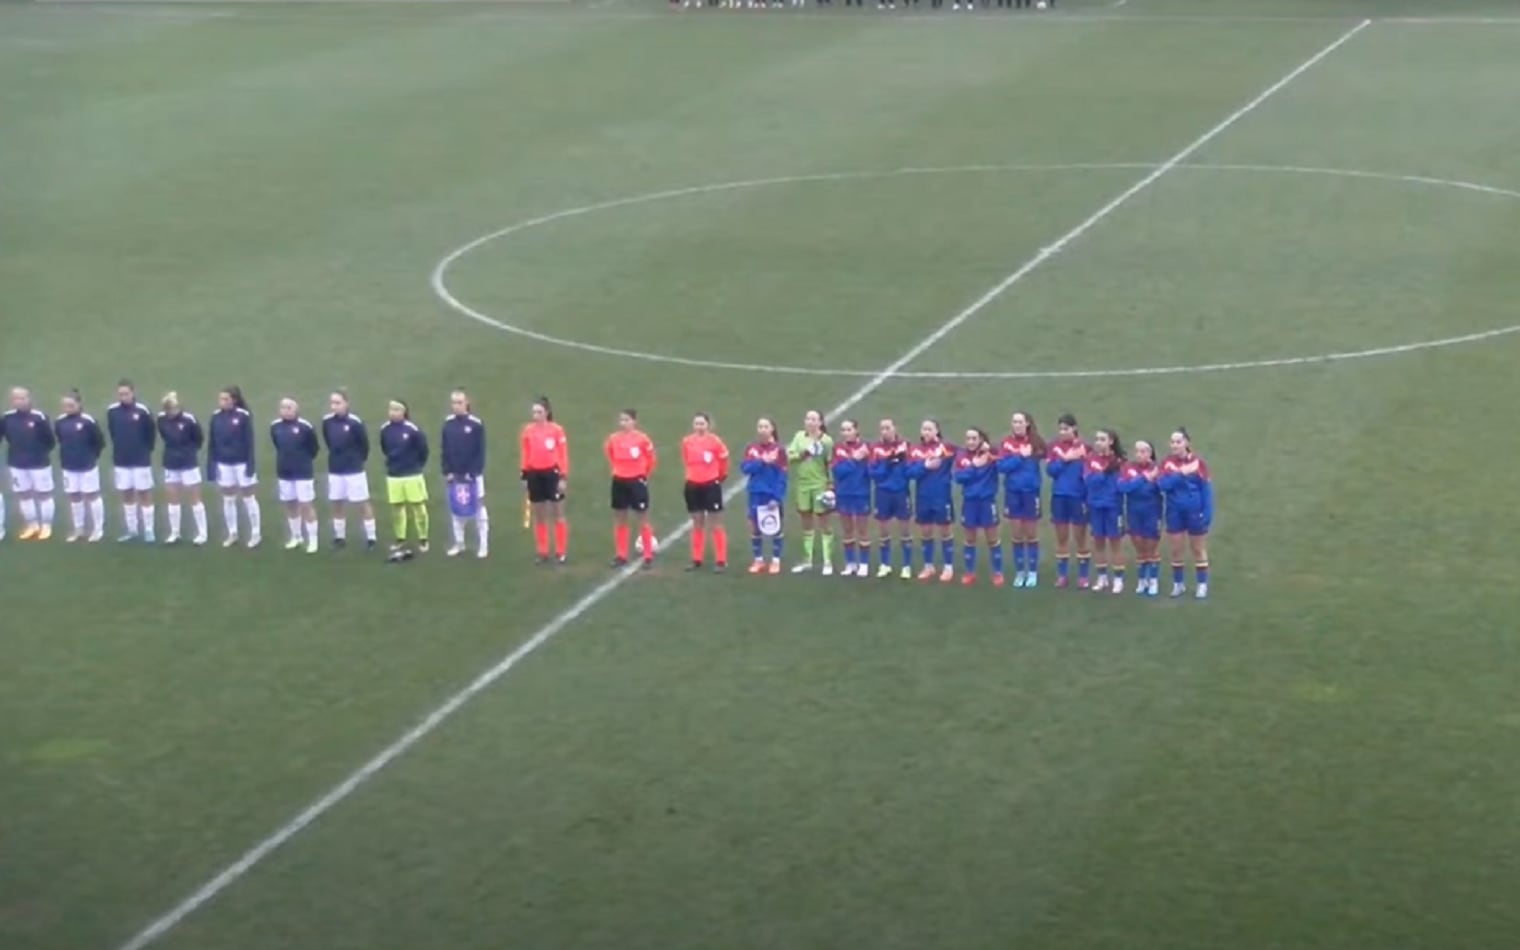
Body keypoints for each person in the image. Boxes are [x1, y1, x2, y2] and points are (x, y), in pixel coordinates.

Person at [1159, 428, 1214, 599]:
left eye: (1178, 441)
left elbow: (1206, 490)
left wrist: (1207, 513)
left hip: (1194, 512)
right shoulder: (1167, 463)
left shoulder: (1199, 463)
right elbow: (1162, 485)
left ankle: (1202, 585)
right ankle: (1178, 585)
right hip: (1174, 512)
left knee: (1198, 549)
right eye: (1172, 441)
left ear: (1186, 443)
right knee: (1176, 550)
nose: (1174, 445)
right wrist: (1181, 474)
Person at [996, 411, 1046, 588]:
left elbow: (1045, 454)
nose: (1016, 425)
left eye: (1020, 422)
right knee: (1016, 534)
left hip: (1031, 493)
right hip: (1013, 493)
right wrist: (1019, 457)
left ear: (1027, 424)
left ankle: (1032, 572)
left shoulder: (1036, 442)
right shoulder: (1006, 444)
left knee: (1031, 534)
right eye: (1014, 422)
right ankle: (1020, 572)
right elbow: (1001, 466)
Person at [207, 386, 261, 548]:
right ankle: (232, 532)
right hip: (224, 463)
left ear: (234, 400)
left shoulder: (243, 416)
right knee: (228, 498)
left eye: (226, 399)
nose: (222, 402)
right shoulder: (216, 417)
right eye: (220, 399)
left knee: (248, 498)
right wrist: (212, 464)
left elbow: (250, 442)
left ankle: (256, 533)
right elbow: (212, 443)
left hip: (242, 463)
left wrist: (250, 465)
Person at [322, 390, 376, 550]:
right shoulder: (327, 422)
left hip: (354, 470)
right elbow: (328, 441)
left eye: (338, 403)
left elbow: (364, 445)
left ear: (346, 403)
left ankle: (371, 537)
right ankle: (339, 536)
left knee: (362, 503)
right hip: (335, 469)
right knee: (336, 502)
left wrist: (357, 461)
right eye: (332, 403)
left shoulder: (355, 423)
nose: (334, 406)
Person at [1, 387, 57, 541]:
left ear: (29, 399)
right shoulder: (7, 418)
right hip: (16, 463)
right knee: (24, 494)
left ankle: (46, 525)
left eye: (22, 398)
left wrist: (38, 452)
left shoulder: (39, 417)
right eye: (16, 399)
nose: (19, 401)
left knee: (43, 494)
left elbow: (50, 441)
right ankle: (32, 525)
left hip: (39, 463)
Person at [106, 379, 158, 543]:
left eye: (126, 394)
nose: (123, 397)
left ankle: (149, 530)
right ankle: (132, 529)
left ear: (133, 393)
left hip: (140, 460)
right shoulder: (112, 411)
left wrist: (144, 450)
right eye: (120, 394)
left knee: (144, 494)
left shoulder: (142, 411)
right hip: (121, 460)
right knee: (127, 494)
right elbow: (112, 432)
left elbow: (151, 434)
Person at [605, 409, 657, 569]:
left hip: (637, 481)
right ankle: (621, 555)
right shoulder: (613, 439)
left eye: (627, 420)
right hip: (619, 481)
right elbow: (611, 455)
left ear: (634, 422)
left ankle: (648, 555)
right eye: (621, 420)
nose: (624, 423)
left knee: (643, 518)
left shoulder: (642, 440)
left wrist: (642, 474)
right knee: (621, 518)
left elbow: (651, 460)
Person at [906, 419, 957, 582]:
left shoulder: (946, 448)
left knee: (945, 531)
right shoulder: (914, 451)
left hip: (942, 496)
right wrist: (925, 466)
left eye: (930, 429)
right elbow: (910, 472)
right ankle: (928, 566)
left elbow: (967, 453)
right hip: (923, 497)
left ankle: (948, 566)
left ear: (937, 431)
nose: (926, 432)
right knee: (926, 532)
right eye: (924, 429)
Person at [520, 396, 569, 564]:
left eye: (539, 412)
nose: (536, 415)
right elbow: (525, 454)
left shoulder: (557, 431)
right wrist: (524, 475)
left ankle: (561, 551)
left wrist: (563, 476)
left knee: (558, 513)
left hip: (552, 474)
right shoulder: (528, 431)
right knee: (539, 515)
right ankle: (542, 551)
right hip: (534, 474)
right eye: (534, 412)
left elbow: (563, 455)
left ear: (547, 413)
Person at [441, 389, 489, 559]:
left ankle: (483, 544)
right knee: (456, 508)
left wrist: (474, 472)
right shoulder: (448, 424)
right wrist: (447, 471)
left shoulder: (476, 424)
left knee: (479, 507)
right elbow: (445, 449)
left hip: (473, 476)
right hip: (455, 475)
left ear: (467, 403)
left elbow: (480, 451)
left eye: (459, 402)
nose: (456, 406)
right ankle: (459, 543)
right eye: (453, 402)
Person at [380, 399, 430, 561]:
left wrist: (415, 466)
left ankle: (423, 538)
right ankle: (400, 539)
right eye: (391, 409)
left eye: (397, 409)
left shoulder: (413, 430)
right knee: (397, 508)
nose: (393, 412)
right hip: (394, 475)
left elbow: (423, 451)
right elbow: (385, 448)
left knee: (418, 507)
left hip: (412, 474)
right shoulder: (385, 429)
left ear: (404, 412)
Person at [786, 409, 835, 575]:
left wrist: (830, 486)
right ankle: (808, 560)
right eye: (808, 419)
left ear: (820, 422)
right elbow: (789, 457)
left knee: (824, 522)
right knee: (806, 522)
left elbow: (830, 463)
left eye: (814, 419)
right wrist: (803, 454)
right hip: (803, 485)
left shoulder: (827, 441)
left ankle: (827, 561)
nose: (810, 422)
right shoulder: (799, 437)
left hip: (819, 484)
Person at [953, 427, 1004, 586]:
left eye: (974, 439)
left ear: (981, 440)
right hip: (970, 502)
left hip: (987, 501)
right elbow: (959, 478)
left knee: (992, 538)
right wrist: (974, 467)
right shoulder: (961, 457)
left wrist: (991, 450)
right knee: (969, 539)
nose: (970, 442)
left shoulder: (991, 455)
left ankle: (997, 573)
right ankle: (969, 572)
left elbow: (1003, 462)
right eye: (968, 439)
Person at [1045, 412, 1091, 588]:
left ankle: (1083, 576)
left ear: (1075, 429)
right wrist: (1066, 460)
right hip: (1059, 497)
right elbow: (1051, 471)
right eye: (1061, 429)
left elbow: (1090, 472)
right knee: (1061, 538)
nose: (1063, 432)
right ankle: (1062, 575)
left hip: (1078, 497)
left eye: (1066, 428)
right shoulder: (1054, 447)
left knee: (1081, 538)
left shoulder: (1085, 448)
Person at [680, 412, 729, 572]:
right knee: (697, 522)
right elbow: (686, 460)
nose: (699, 427)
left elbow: (723, 461)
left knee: (716, 523)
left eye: (702, 423)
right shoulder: (687, 442)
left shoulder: (715, 442)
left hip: (711, 485)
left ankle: (721, 560)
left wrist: (718, 477)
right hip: (693, 485)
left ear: (708, 425)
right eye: (696, 424)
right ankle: (696, 559)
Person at [271, 398, 320, 554]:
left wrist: (302, 460)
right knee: (290, 504)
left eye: (289, 407)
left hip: (303, 472)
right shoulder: (275, 426)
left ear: (296, 410)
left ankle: (313, 540)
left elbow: (314, 448)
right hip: (284, 471)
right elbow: (277, 445)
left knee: (306, 505)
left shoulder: (305, 427)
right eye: (283, 407)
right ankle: (296, 536)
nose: (285, 410)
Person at [158, 392, 208, 546]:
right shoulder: (161, 420)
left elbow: (199, 439)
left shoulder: (189, 420)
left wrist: (187, 452)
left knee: (194, 498)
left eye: (174, 408)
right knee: (172, 499)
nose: (172, 412)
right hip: (170, 463)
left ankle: (202, 532)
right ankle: (175, 532)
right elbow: (164, 436)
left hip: (188, 463)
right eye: (169, 409)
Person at [56, 390, 106, 543]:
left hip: (87, 465)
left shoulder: (88, 421)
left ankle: (98, 529)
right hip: (68, 465)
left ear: (79, 404)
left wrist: (91, 457)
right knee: (74, 497)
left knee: (92, 495)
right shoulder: (60, 421)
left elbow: (99, 442)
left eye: (71, 405)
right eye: (65, 405)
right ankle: (79, 529)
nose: (68, 408)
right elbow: (60, 439)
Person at [867, 418, 913, 579]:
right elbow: (873, 474)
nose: (885, 431)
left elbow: (910, 470)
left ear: (895, 428)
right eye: (882, 428)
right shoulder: (875, 449)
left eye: (888, 428)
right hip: (883, 493)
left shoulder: (905, 446)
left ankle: (906, 566)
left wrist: (902, 462)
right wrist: (887, 463)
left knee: (905, 530)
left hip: (901, 492)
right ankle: (885, 564)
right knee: (883, 530)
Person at [741, 417, 787, 575]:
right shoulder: (751, 449)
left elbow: (782, 476)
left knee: (775, 527)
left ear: (772, 429)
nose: (762, 429)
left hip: (771, 494)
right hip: (755, 493)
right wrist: (761, 461)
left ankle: (775, 560)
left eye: (765, 426)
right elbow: (746, 468)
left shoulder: (779, 450)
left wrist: (777, 497)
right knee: (754, 527)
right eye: (760, 426)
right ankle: (758, 559)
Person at [1083, 429, 1127, 594]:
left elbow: (1121, 484)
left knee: (1115, 543)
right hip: (1095, 506)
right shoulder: (1090, 459)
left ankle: (1118, 579)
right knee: (1098, 542)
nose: (1098, 442)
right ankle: (1102, 577)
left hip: (1113, 507)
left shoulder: (1120, 462)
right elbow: (1088, 481)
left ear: (1111, 442)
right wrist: (1104, 473)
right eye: (1097, 439)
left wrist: (1104, 474)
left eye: (1102, 439)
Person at [1119, 440, 1163, 598]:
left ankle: (1153, 580)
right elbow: (1123, 488)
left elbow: (1164, 487)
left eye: (1143, 451)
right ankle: (1142, 579)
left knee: (1151, 548)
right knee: (1139, 548)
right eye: (1137, 451)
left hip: (1152, 513)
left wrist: (1157, 479)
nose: (1139, 454)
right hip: (1133, 513)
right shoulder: (1128, 468)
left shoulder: (1158, 469)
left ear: (1150, 453)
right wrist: (1143, 478)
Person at [829, 419, 873, 578]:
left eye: (849, 429)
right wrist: (854, 459)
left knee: (863, 530)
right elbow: (837, 471)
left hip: (861, 493)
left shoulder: (867, 448)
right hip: (843, 494)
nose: (846, 433)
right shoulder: (838, 449)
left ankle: (864, 564)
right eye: (843, 430)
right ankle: (850, 563)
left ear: (856, 431)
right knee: (847, 530)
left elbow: (871, 471)